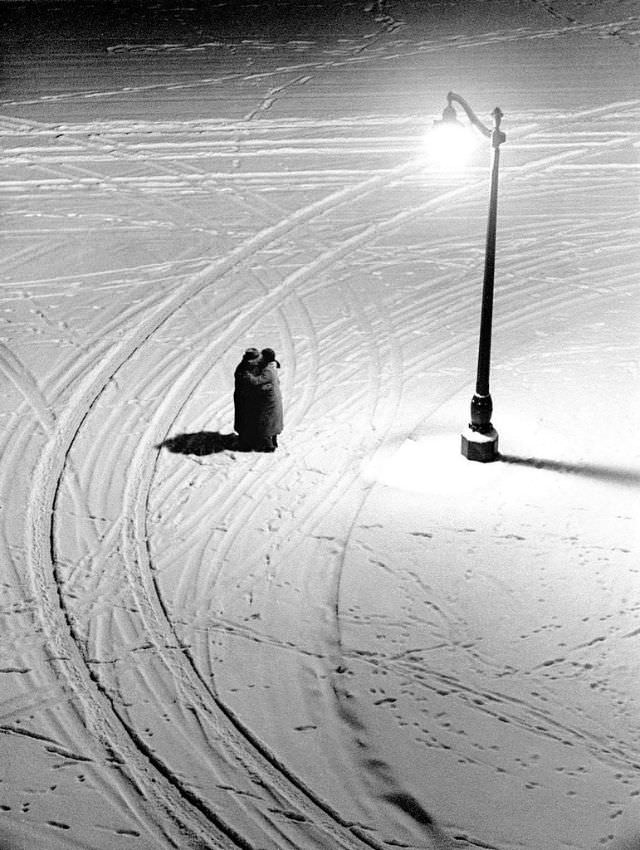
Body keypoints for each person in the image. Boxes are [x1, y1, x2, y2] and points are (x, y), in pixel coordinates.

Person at [233, 347, 282, 451]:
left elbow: (257, 381)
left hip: (264, 399)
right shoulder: (243, 369)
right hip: (245, 398)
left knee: (267, 421)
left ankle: (268, 443)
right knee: (247, 419)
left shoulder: (266, 369)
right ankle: (246, 441)